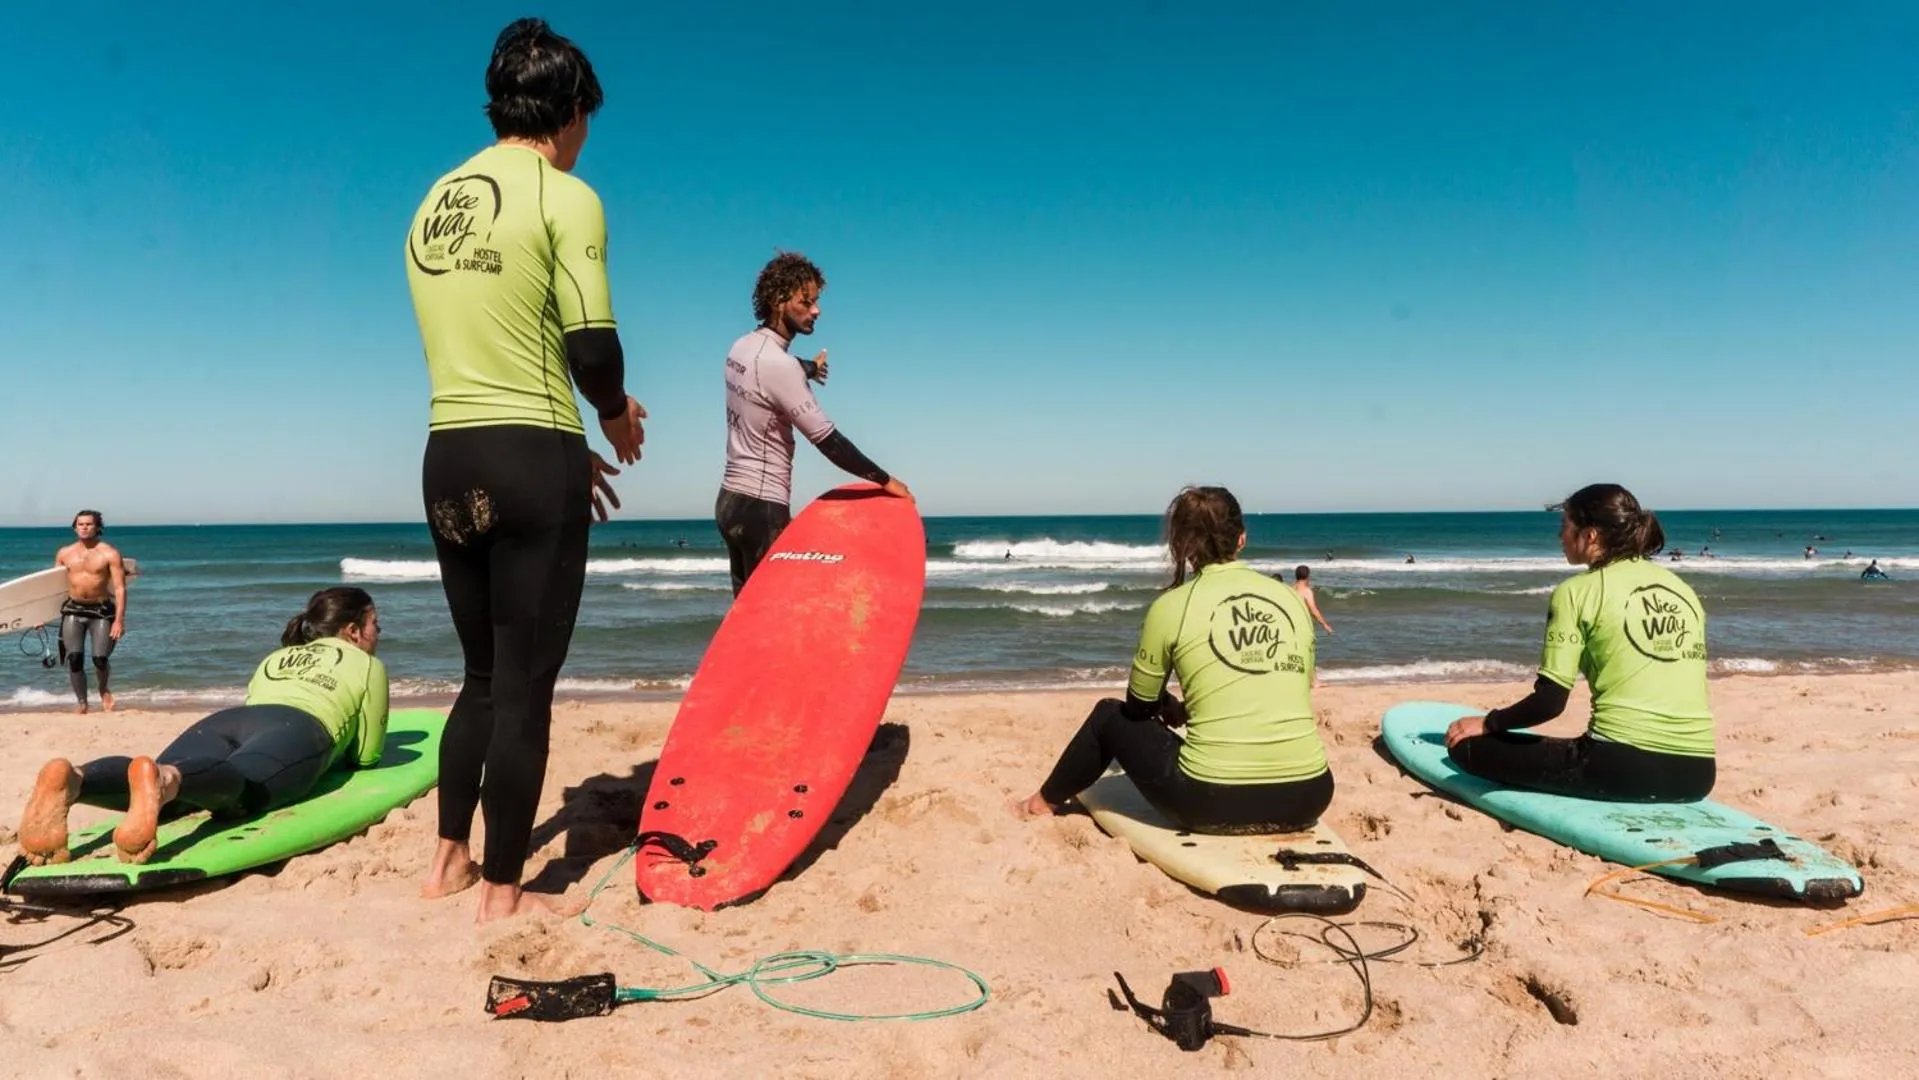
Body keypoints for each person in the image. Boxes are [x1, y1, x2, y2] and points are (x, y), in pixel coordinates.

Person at [403, 18, 642, 921]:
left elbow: (495, 346)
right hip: (531, 457)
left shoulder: (435, 201)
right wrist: (611, 414)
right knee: (525, 686)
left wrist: (564, 446)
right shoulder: (562, 194)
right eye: (587, 122)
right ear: (570, 110)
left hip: (448, 457)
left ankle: (448, 862)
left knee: (480, 677)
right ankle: (505, 893)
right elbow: (591, 347)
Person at [1018, 487, 1333, 834]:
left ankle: (1040, 804)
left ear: (1180, 544)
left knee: (1108, 715)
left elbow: (1138, 707)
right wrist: (1182, 709)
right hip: (1311, 794)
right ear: (1242, 538)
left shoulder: (1170, 606)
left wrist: (1166, 705)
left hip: (1210, 800)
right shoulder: (1292, 600)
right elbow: (1287, 684)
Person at [18, 588, 387, 866]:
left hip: (228, 721)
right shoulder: (367, 664)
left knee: (160, 788)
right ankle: (164, 779)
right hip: (300, 728)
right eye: (375, 623)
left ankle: (78, 780)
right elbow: (367, 755)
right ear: (353, 631)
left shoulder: (278, 656)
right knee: (244, 791)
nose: (379, 630)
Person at [1444, 484, 1714, 802]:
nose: (1560, 536)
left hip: (1621, 767)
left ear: (1590, 536)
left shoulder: (1576, 592)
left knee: (1465, 746)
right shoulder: (1682, 590)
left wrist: (1490, 723)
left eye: (1565, 526)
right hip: (1697, 774)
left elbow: (1550, 703)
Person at [716, 251, 913, 595]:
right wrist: (886, 480)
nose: (817, 310)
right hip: (763, 510)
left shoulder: (740, 348)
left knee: (746, 615)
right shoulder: (781, 368)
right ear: (778, 301)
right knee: (776, 613)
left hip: (730, 504)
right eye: (806, 302)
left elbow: (775, 370)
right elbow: (828, 441)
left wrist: (810, 368)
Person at [53, 510, 129, 714]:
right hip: (73, 610)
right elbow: (53, 588)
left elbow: (120, 588)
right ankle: (82, 703)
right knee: (74, 658)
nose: (84, 527)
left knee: (100, 658)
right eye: (80, 524)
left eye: (89, 524)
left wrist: (119, 620)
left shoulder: (110, 553)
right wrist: (40, 616)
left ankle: (103, 688)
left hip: (101, 611)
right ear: (74, 527)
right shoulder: (64, 553)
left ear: (98, 527)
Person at [1293, 565, 1333, 634]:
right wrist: (1325, 625)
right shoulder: (1306, 591)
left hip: (1290, 623)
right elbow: (1314, 611)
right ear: (1307, 576)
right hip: (1301, 624)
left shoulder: (1290, 588)